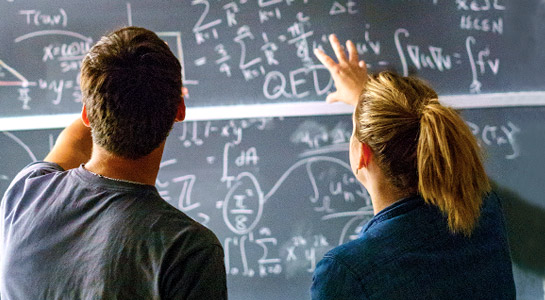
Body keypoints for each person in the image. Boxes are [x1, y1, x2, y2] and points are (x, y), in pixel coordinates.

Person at [0, 27, 227, 299]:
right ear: (180, 110)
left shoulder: (27, 193)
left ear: (86, 113)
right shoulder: (187, 249)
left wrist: (114, 79)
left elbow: (73, 139)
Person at [310, 34, 515, 299]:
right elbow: (409, 127)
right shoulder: (484, 213)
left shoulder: (346, 273)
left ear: (362, 154)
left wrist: (365, 99)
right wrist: (366, 99)